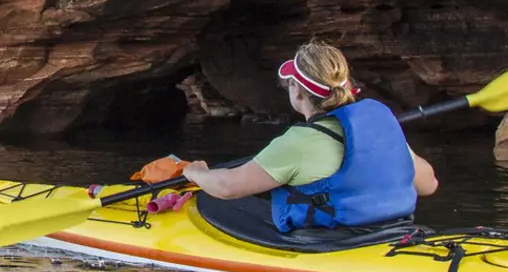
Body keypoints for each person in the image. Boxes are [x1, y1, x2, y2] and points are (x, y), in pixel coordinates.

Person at [165, 41, 437, 243]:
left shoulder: (298, 142)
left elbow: (226, 188)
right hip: (394, 232)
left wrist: (195, 172)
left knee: (214, 203)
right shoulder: (380, 125)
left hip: (330, 245)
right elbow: (428, 185)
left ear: (296, 89)